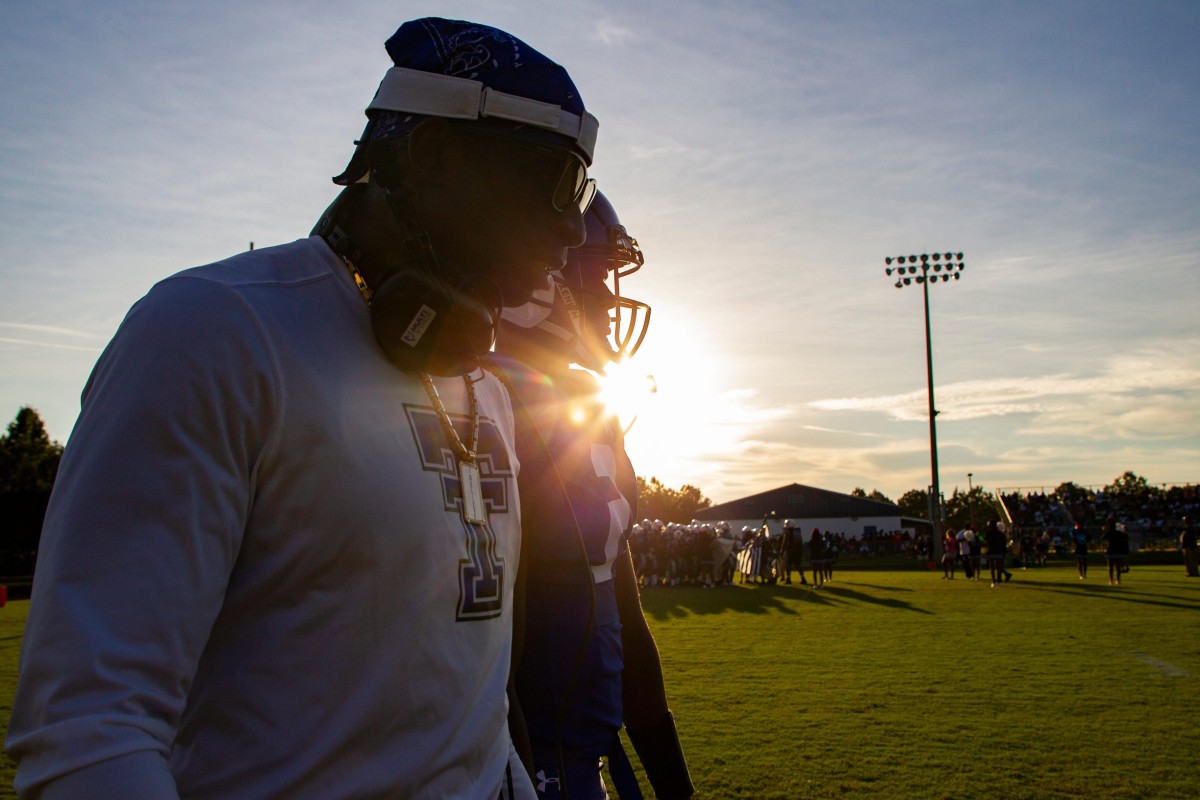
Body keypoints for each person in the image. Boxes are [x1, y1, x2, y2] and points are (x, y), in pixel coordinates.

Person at [6, 17, 600, 800]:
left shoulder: (482, 383)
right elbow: (89, 731)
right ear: (437, 155)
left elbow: (467, 714)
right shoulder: (211, 333)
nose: (572, 229)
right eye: (557, 184)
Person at [492, 192, 693, 799]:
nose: (608, 298)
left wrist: (675, 787)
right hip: (518, 765)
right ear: (536, 278)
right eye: (594, 275)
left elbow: (625, 620)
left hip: (583, 760)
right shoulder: (486, 405)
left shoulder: (589, 411)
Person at [1102, 516, 1130, 585]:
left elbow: (1103, 538)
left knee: (1110, 567)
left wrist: (1103, 531)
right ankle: (1118, 580)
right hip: (1118, 550)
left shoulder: (1108, 533)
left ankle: (1111, 580)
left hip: (1111, 550)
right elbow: (1126, 536)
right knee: (1118, 567)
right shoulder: (1118, 532)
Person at [985, 519, 1013, 586]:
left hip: (992, 551)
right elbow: (1004, 542)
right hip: (999, 551)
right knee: (998, 567)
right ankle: (999, 581)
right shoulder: (1000, 533)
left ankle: (993, 581)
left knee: (992, 568)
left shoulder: (988, 533)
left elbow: (986, 542)